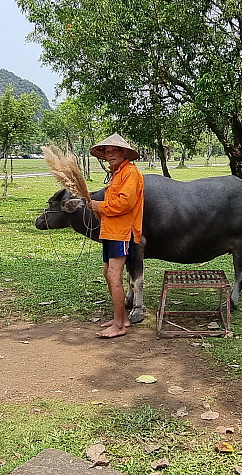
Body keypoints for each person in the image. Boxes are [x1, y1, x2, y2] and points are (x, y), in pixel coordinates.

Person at [87, 134, 145, 339]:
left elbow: (125, 204)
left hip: (121, 232)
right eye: (107, 152)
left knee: (114, 275)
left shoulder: (130, 173)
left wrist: (99, 206)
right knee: (108, 274)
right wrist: (98, 208)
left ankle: (119, 325)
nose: (110, 155)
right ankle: (122, 318)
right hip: (110, 231)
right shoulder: (116, 174)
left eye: (114, 151)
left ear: (124, 153)